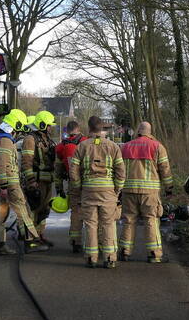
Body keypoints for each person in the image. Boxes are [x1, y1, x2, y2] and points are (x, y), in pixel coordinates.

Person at [69, 115, 125, 268]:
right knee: (108, 224)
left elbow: (73, 171)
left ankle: (91, 258)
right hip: (108, 191)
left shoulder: (82, 146)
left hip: (88, 190)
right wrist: (117, 189)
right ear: (102, 128)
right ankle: (110, 258)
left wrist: (79, 187)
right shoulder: (113, 147)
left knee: (90, 224)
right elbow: (121, 172)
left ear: (89, 128)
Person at [0, 110, 48, 254]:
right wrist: (4, 185)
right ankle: (31, 242)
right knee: (23, 211)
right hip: (11, 184)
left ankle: (0, 244)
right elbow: (3, 163)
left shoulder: (3, 138)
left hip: (8, 184)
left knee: (2, 214)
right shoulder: (5, 141)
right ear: (16, 125)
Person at [119, 121, 173, 263]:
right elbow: (165, 169)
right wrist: (169, 188)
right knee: (151, 220)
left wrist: (118, 188)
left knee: (128, 220)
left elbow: (119, 169)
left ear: (138, 131)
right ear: (150, 132)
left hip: (129, 190)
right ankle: (154, 254)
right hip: (150, 193)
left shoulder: (125, 147)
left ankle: (124, 252)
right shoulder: (157, 147)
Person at [21, 110, 58, 245]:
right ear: (42, 125)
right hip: (37, 181)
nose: (51, 128)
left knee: (44, 210)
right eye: (49, 125)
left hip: (47, 180)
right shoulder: (30, 139)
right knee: (34, 210)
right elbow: (26, 162)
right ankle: (31, 238)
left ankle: (40, 235)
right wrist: (31, 181)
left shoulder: (47, 140)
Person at [54, 120, 87, 254]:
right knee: (93, 213)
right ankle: (98, 243)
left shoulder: (61, 147)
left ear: (67, 131)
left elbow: (58, 169)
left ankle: (75, 242)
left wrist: (59, 187)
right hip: (88, 183)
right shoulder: (86, 142)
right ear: (79, 129)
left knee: (76, 212)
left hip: (73, 183)